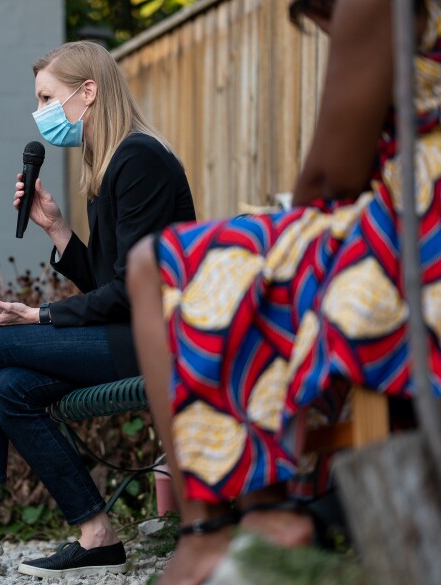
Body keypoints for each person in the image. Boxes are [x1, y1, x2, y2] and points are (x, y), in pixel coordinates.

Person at [125, 0, 441, 583]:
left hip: (418, 232)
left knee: (156, 264)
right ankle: (265, 511)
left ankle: (209, 532)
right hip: (414, 219)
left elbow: (331, 175)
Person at [0, 40, 196, 578]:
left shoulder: (139, 158)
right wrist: (58, 229)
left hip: (157, 338)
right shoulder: (109, 163)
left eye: (46, 96)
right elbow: (112, 282)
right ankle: (97, 534)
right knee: (6, 387)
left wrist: (40, 316)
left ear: (88, 91)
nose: (40, 112)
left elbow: (134, 291)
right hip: (130, 333)